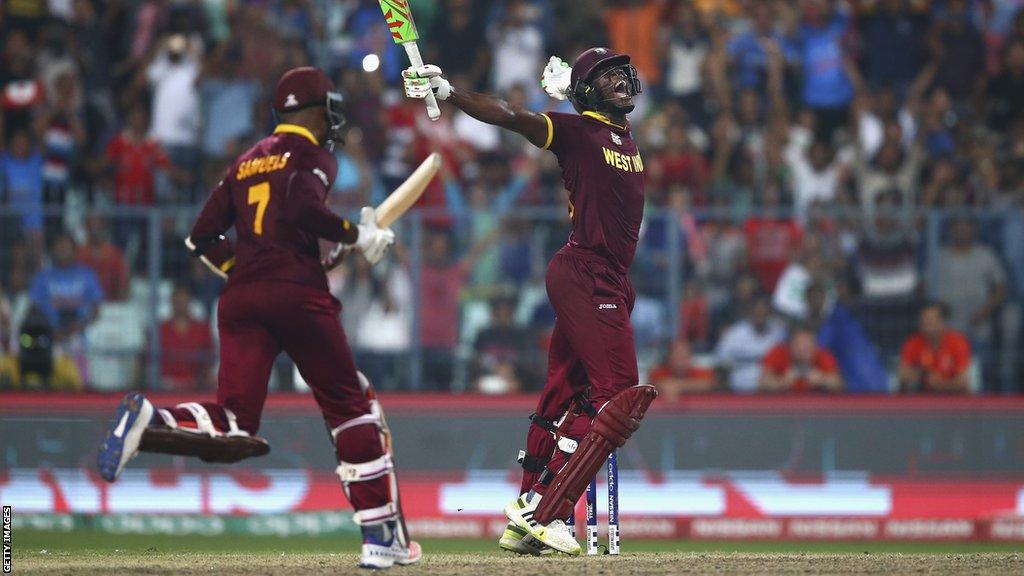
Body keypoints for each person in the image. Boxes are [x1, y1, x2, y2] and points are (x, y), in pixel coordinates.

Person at [95, 67, 419, 570]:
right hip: (295, 296)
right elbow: (299, 208)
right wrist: (356, 235)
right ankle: (382, 538)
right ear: (315, 111)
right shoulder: (315, 154)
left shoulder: (244, 161)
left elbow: (201, 236)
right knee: (351, 406)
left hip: (242, 297)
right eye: (329, 109)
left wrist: (255, 267)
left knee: (234, 426)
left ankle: (150, 419)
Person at [404, 47, 653, 556]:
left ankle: (527, 510)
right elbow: (513, 117)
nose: (620, 80)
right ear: (587, 91)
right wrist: (450, 93)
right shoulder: (581, 132)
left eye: (620, 73)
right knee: (620, 396)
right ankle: (551, 513)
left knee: (566, 395)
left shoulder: (615, 135)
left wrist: (575, 92)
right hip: (587, 273)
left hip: (602, 277)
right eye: (606, 77)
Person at [898, 302, 972, 393]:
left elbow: (963, 382)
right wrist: (923, 376)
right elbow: (903, 375)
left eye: (930, 322)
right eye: (923, 322)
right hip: (922, 399)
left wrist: (940, 384)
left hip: (953, 399)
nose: (925, 327)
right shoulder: (913, 342)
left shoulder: (957, 342)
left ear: (943, 322)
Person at [759, 325, 844, 393]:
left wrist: (822, 380)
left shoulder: (822, 354)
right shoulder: (778, 352)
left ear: (814, 346)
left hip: (814, 407)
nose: (803, 351)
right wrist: (783, 382)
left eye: (807, 346)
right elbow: (763, 382)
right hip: (782, 406)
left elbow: (838, 384)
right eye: (799, 345)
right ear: (791, 345)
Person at [649, 340, 717, 400]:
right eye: (677, 355)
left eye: (684, 356)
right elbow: (652, 385)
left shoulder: (701, 372)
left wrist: (678, 386)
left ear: (690, 357)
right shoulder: (659, 372)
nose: (681, 360)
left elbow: (708, 384)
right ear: (669, 357)